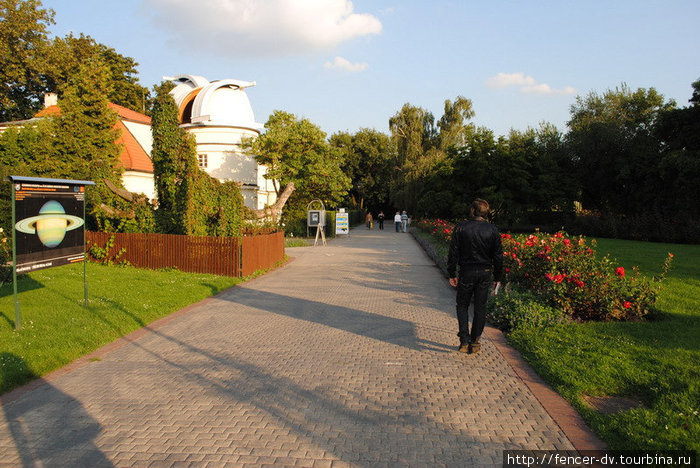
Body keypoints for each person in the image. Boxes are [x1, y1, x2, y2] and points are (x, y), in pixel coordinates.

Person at [447, 198, 503, 354]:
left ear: (472, 210)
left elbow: (453, 252)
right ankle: (476, 341)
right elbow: (498, 256)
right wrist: (498, 277)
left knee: (463, 305)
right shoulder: (492, 230)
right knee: (480, 307)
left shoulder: (461, 227)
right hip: (485, 273)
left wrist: (451, 273)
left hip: (466, 271)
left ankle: (464, 340)